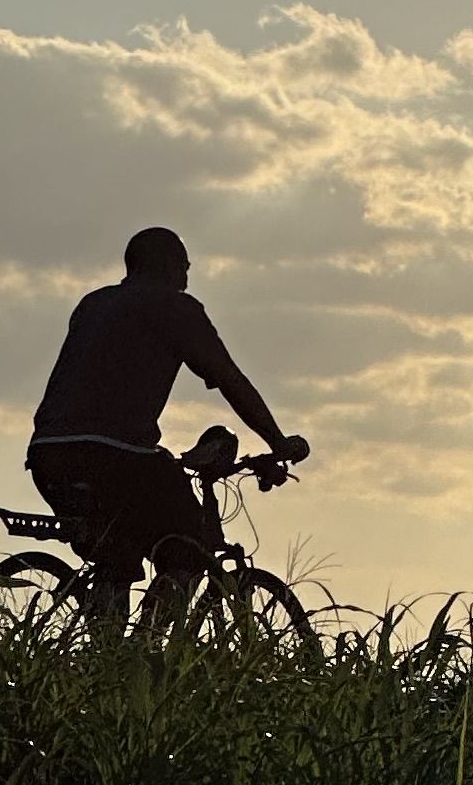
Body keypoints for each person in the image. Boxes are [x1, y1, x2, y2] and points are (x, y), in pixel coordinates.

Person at [28, 224, 307, 625]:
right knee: (188, 546)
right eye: (185, 266)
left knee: (117, 552)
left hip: (48, 454)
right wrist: (278, 441)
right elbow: (230, 379)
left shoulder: (93, 304)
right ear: (168, 266)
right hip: (116, 454)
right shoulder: (176, 308)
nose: (187, 277)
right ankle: (149, 650)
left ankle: (105, 662)